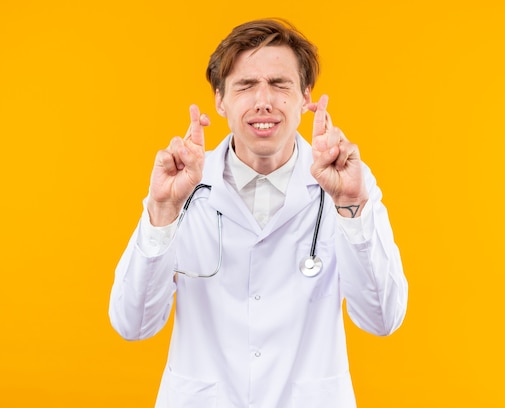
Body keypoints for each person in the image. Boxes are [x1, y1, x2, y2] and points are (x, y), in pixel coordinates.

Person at [109, 18, 408, 408]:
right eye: (245, 85)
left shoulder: (347, 182)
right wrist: (163, 212)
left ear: (306, 97)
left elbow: (382, 319)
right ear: (220, 100)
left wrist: (351, 207)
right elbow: (133, 325)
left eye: (280, 84)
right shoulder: (184, 187)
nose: (263, 100)